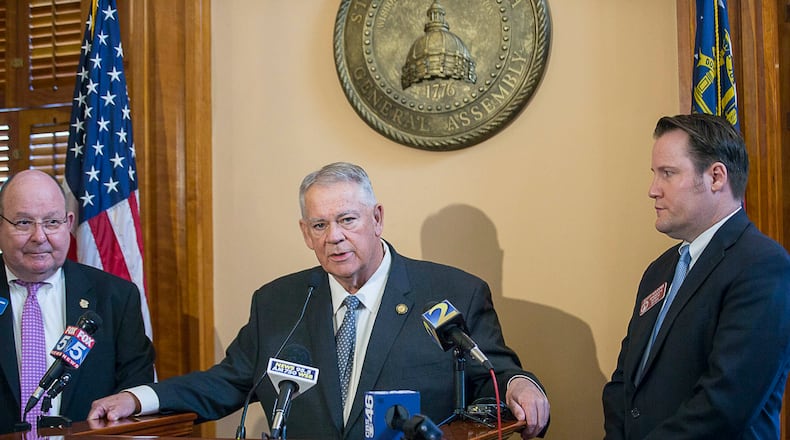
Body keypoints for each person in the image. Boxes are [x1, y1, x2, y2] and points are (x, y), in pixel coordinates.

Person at [89, 162, 550, 439]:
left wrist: (521, 385)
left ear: (378, 218)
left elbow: (496, 376)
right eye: (319, 225)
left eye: (347, 219)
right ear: (305, 233)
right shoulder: (278, 302)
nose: (335, 238)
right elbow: (226, 382)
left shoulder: (450, 293)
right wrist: (139, 396)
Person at [602, 114, 790, 439]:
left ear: (716, 177)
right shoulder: (658, 271)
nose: (652, 190)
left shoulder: (762, 266)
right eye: (654, 174)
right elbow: (624, 382)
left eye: (668, 174)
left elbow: (724, 405)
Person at [0, 170, 155, 434]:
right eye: (24, 223)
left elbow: (135, 392)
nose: (39, 236)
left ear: (69, 223)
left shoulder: (115, 298)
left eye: (51, 222)